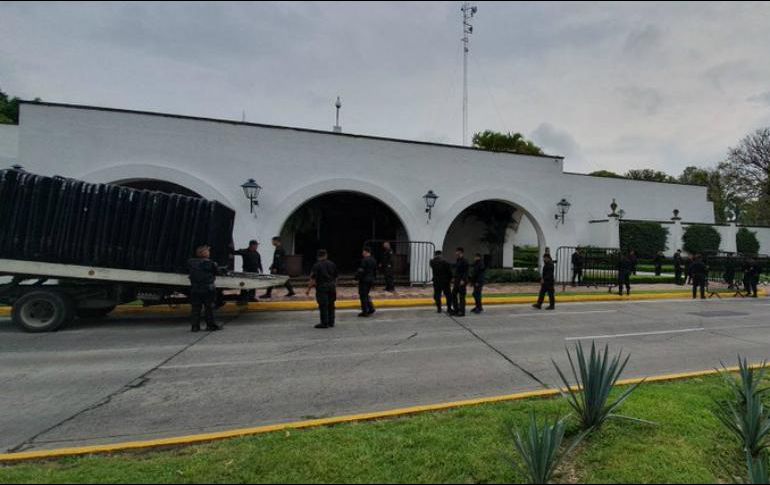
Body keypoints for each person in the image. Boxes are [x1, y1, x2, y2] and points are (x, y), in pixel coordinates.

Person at [188, 245, 223, 332]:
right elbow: (218, 272)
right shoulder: (211, 264)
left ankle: (195, 326)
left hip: (195, 288)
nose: (209, 253)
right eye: (207, 251)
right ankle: (210, 325)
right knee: (209, 308)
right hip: (208, 289)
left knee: (196, 308)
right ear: (204, 253)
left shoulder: (191, 262)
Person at [306, 249, 338, 329]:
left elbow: (313, 279)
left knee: (323, 305)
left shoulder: (316, 266)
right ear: (326, 255)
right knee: (331, 304)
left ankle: (324, 323)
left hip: (322, 288)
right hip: (331, 287)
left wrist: (308, 289)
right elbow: (336, 277)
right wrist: (334, 286)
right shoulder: (332, 264)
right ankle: (331, 322)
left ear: (318, 256)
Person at [233, 239, 263, 305]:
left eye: (257, 245)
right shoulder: (245, 251)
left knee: (253, 285)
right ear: (252, 245)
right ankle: (243, 298)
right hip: (247, 271)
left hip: (255, 271)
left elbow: (259, 263)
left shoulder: (257, 253)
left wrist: (261, 270)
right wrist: (231, 250)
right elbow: (235, 252)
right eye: (256, 245)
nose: (257, 247)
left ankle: (251, 297)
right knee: (245, 285)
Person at [356, 246, 377, 317]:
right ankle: (371, 308)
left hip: (364, 280)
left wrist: (356, 277)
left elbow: (361, 270)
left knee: (363, 295)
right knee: (366, 294)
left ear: (365, 252)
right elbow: (375, 271)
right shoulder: (373, 260)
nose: (362, 253)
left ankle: (365, 311)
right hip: (371, 280)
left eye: (363, 252)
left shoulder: (364, 260)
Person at [450, 247, 469, 317]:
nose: (455, 253)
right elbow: (457, 271)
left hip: (462, 281)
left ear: (460, 252)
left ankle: (462, 311)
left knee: (461, 297)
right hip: (457, 281)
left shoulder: (465, 261)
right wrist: (454, 278)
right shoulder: (458, 260)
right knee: (453, 295)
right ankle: (456, 310)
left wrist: (463, 280)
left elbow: (466, 272)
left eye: (456, 252)